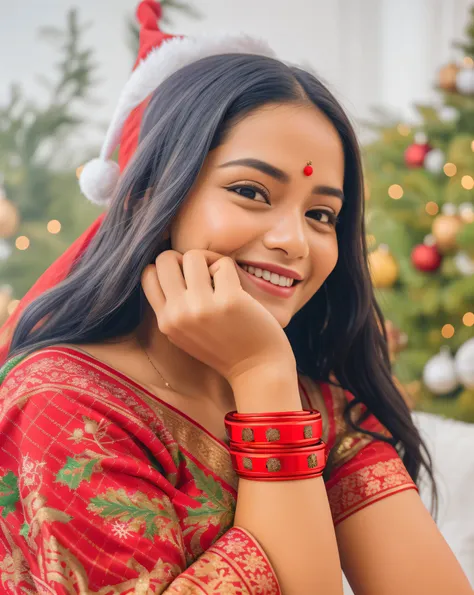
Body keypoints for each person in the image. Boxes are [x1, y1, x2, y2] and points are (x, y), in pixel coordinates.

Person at [0, 2, 471, 593]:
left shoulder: (323, 406)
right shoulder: (59, 405)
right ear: (149, 197)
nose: (294, 240)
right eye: (251, 191)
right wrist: (261, 373)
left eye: (322, 213)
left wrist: (263, 378)